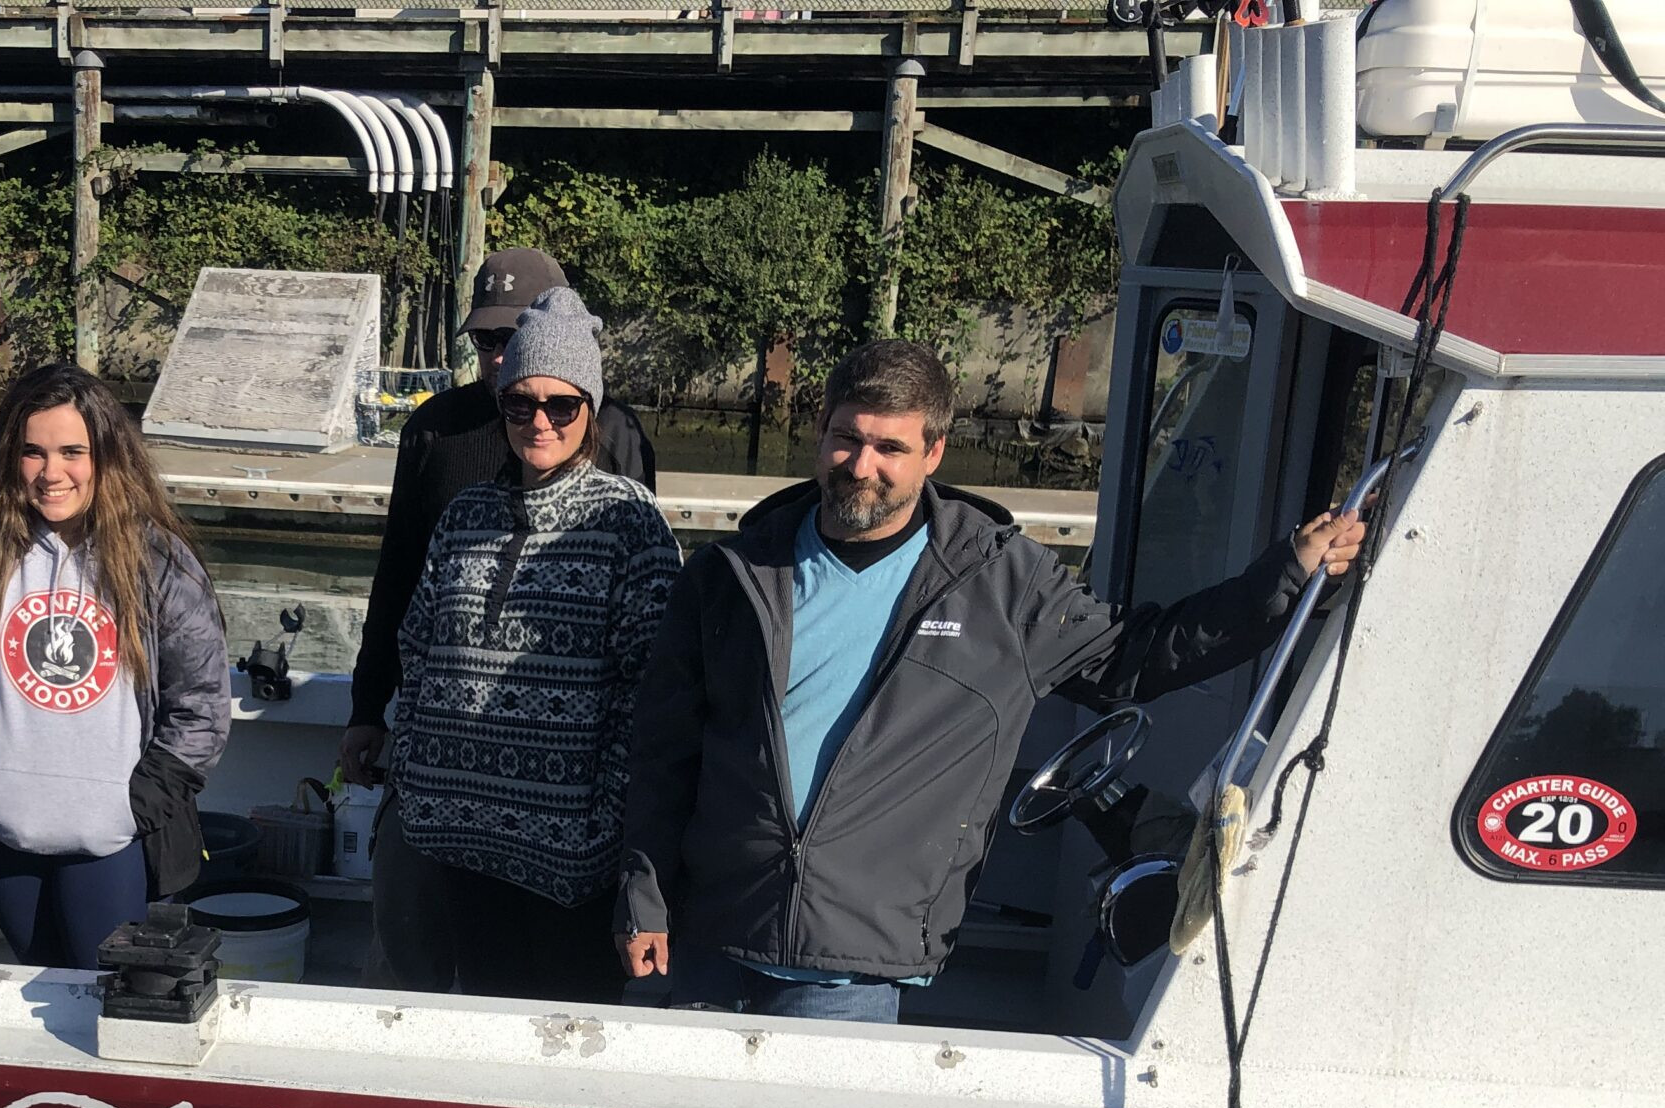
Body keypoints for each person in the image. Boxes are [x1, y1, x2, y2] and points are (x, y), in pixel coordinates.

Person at [616, 338, 1367, 1024]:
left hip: (853, 969)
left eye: (890, 447)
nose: (862, 465)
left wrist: (1285, 579)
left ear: (935, 451)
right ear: (821, 428)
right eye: (848, 438)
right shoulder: (731, 574)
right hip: (711, 938)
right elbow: (663, 754)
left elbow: (1135, 658)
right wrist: (644, 899)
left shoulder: (1005, 584)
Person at [376, 287, 683, 1003]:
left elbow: (653, 695)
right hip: (455, 844)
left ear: (590, 410)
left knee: (565, 1057)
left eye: (561, 404)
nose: (539, 421)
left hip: (570, 867)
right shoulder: (465, 514)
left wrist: (608, 832)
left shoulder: (628, 522)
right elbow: (416, 650)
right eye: (520, 403)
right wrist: (417, 782)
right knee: (478, 1033)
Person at [0, 363, 231, 970]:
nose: (51, 472)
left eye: (72, 452)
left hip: (112, 842)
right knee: (40, 994)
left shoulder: (159, 559)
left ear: (107, 456)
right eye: (32, 452)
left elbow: (203, 701)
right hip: (6, 830)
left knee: (103, 1000)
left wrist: (134, 806)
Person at [338, 247, 657, 797]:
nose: (498, 356)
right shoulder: (433, 429)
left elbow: (647, 644)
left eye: (515, 336)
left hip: (567, 772)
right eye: (485, 340)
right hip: (446, 767)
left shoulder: (618, 436)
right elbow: (398, 577)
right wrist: (368, 707)